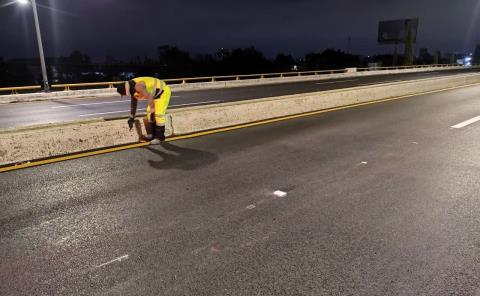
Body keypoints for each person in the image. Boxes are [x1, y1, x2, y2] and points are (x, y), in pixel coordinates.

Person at [116, 77, 171, 144]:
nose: (124, 95)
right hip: (154, 96)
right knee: (149, 113)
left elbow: (149, 97)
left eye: (123, 94)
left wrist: (153, 109)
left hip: (163, 92)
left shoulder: (138, 86)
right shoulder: (132, 88)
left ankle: (160, 138)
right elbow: (134, 103)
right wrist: (132, 117)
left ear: (125, 91)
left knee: (158, 114)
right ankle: (153, 135)